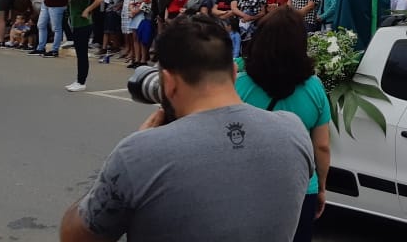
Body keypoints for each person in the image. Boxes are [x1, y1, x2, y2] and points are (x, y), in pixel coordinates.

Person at [60, 15, 314, 241]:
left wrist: (128, 159)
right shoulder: (294, 132)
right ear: (234, 72)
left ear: (168, 83)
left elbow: (74, 236)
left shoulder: (140, 153)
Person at [235, 8, 332, 242]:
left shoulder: (239, 82)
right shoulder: (314, 87)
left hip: (244, 186)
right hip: (299, 188)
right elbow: (321, 147)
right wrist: (321, 187)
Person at [65, 0, 103, 92]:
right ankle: (78, 80)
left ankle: (81, 82)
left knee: (82, 54)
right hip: (76, 24)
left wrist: (87, 10)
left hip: (83, 25)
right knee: (79, 53)